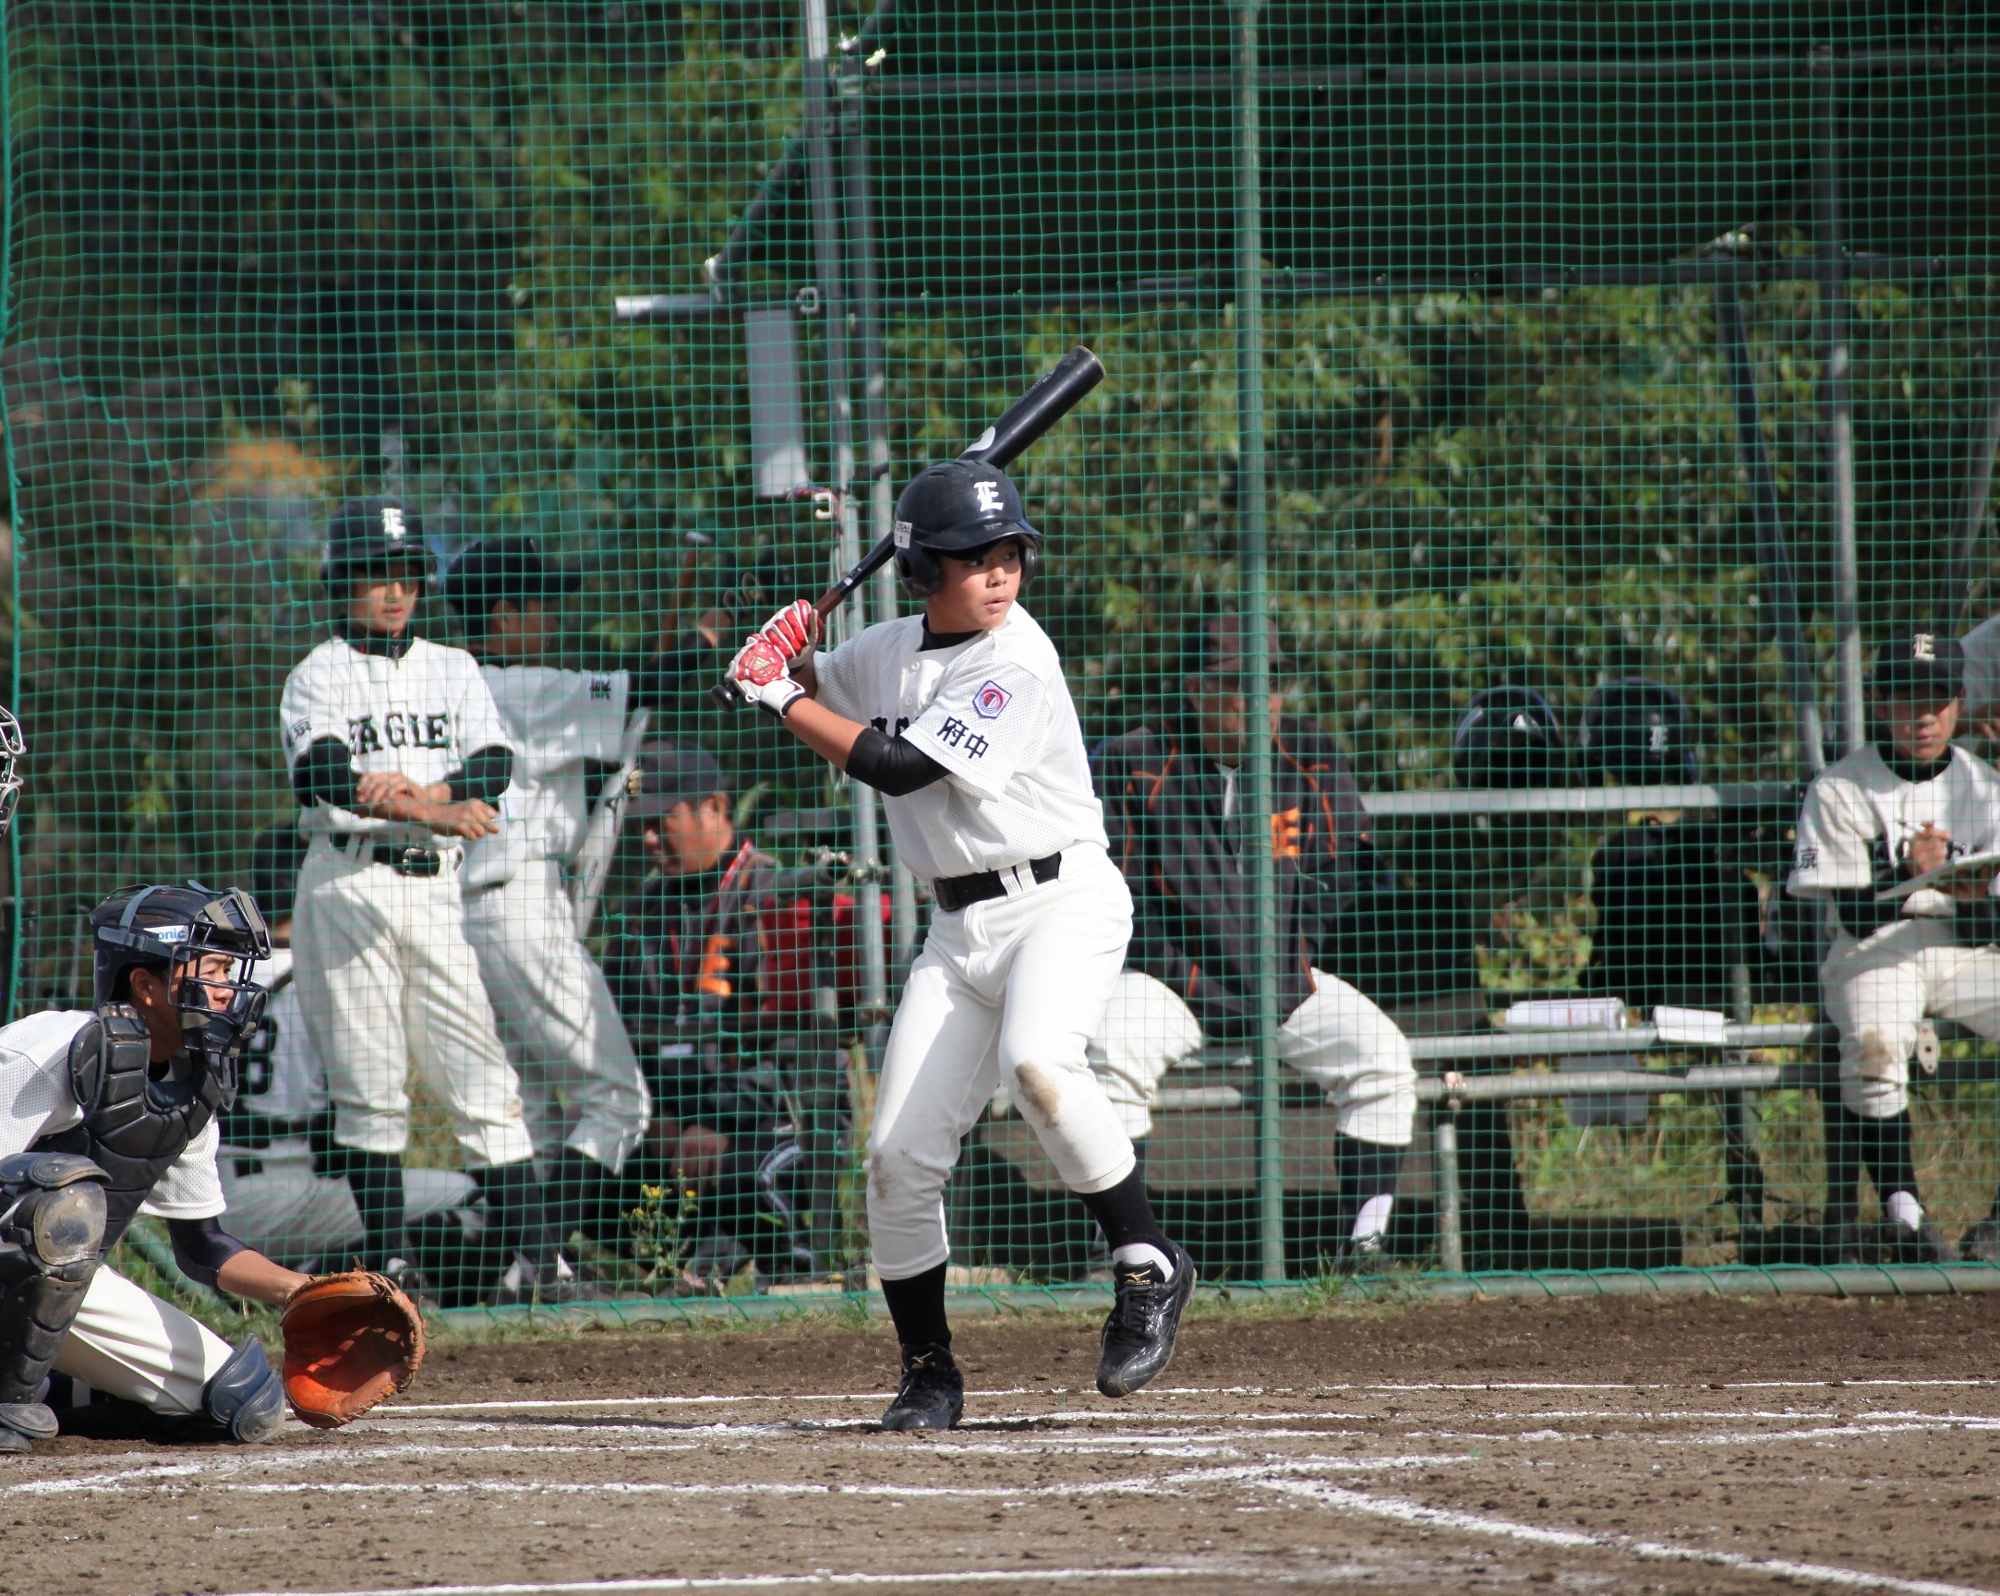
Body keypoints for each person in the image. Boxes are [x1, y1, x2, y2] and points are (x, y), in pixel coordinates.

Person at [727, 459, 1192, 1431]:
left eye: (1009, 553)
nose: (999, 573)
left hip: (1060, 899)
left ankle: (1147, 1263)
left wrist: (778, 696)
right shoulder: (888, 648)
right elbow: (806, 683)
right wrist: (775, 653)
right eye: (975, 558)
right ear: (921, 569)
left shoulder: (1014, 659)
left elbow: (897, 766)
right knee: (896, 1157)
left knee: (1039, 1065)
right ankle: (928, 1371)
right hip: (956, 928)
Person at [1088, 615, 1417, 1270]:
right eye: (1243, 683)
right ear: (1197, 689)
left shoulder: (1311, 753)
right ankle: (1122, 1252)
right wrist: (1187, 973)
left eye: (1274, 682)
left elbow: (1341, 874)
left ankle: (1364, 1248)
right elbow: (1113, 895)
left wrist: (1290, 957)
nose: (1265, 698)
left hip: (1284, 981)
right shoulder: (1133, 760)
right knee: (1111, 1054)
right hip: (1171, 983)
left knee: (1383, 1060)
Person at [441, 537, 729, 1276]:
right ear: (503, 614)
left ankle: (519, 1274)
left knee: (531, 1109)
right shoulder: (516, 686)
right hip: (519, 908)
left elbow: (615, 724)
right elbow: (656, 681)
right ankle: (541, 1263)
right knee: (618, 1100)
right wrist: (715, 629)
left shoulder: (450, 688)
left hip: (473, 912)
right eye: (540, 603)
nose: (553, 616)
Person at [279, 494, 541, 1300]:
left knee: (483, 1076)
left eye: (407, 575)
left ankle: (538, 1265)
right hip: (346, 884)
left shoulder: (453, 666)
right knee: (369, 1083)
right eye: (375, 575)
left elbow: (493, 765)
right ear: (341, 583)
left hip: (432, 890)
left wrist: (422, 799)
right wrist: (432, 809)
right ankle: (389, 1269)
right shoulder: (318, 673)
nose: (396, 592)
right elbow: (324, 774)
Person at [2, 872, 302, 1455]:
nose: (228, 989)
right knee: (53, 1199)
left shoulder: (191, 1081)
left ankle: (56, 1386)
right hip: (22, 1267)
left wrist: (304, 1291)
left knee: (241, 1401)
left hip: (50, 1290)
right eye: (213, 970)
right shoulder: (59, 1047)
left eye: (230, 971)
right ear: (145, 984)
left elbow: (202, 1245)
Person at [1788, 626, 1993, 1265]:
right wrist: (1910, 872)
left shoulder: (1984, 788)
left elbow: (1986, 930)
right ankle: (1905, 1216)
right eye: (1906, 697)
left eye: (1937, 697)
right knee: (1874, 1048)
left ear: (1960, 701)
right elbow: (1851, 914)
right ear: (1879, 701)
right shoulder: (1840, 787)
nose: (1923, 715)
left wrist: (1971, 897)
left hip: (1959, 948)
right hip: (1872, 949)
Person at [216, 823, 480, 1278]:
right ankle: (323, 1276)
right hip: (282, 1192)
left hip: (209, 1196)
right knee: (469, 1194)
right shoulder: (329, 974)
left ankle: (303, 1266)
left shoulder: (221, 974)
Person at [603, 742, 818, 1285]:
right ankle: (684, 1269)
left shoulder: (773, 895)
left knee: (756, 1172)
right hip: (664, 1125)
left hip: (766, 1120)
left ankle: (773, 1271)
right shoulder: (637, 913)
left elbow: (802, 1051)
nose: (649, 839)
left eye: (663, 821)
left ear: (715, 807)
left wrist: (715, 1120)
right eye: (641, 825)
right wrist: (654, 1117)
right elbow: (617, 1039)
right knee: (572, 1172)